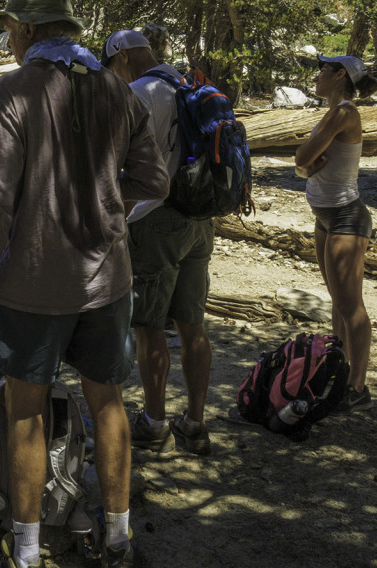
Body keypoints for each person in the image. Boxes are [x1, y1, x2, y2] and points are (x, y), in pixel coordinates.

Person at [0, 0, 169, 568]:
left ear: (28, 31)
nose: (7, 39)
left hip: (33, 282)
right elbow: (154, 181)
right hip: (108, 278)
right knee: (108, 404)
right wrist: (106, 205)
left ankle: (26, 552)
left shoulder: (15, 90)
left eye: (9, 29)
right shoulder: (115, 88)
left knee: (24, 410)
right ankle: (119, 538)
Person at [102, 29, 216, 456]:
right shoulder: (189, 83)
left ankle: (153, 422)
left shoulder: (138, 92)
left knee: (149, 327)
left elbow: (113, 159)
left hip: (154, 218)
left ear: (124, 56)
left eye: (113, 65)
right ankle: (195, 422)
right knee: (192, 323)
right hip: (199, 217)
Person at [295, 54, 377, 412]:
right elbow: (304, 166)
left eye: (323, 70)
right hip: (325, 217)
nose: (317, 76)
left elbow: (301, 158)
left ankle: (357, 387)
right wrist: (305, 165)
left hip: (346, 217)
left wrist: (305, 163)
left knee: (350, 305)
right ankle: (337, 371)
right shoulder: (331, 113)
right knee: (337, 302)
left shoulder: (345, 113)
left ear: (340, 75)